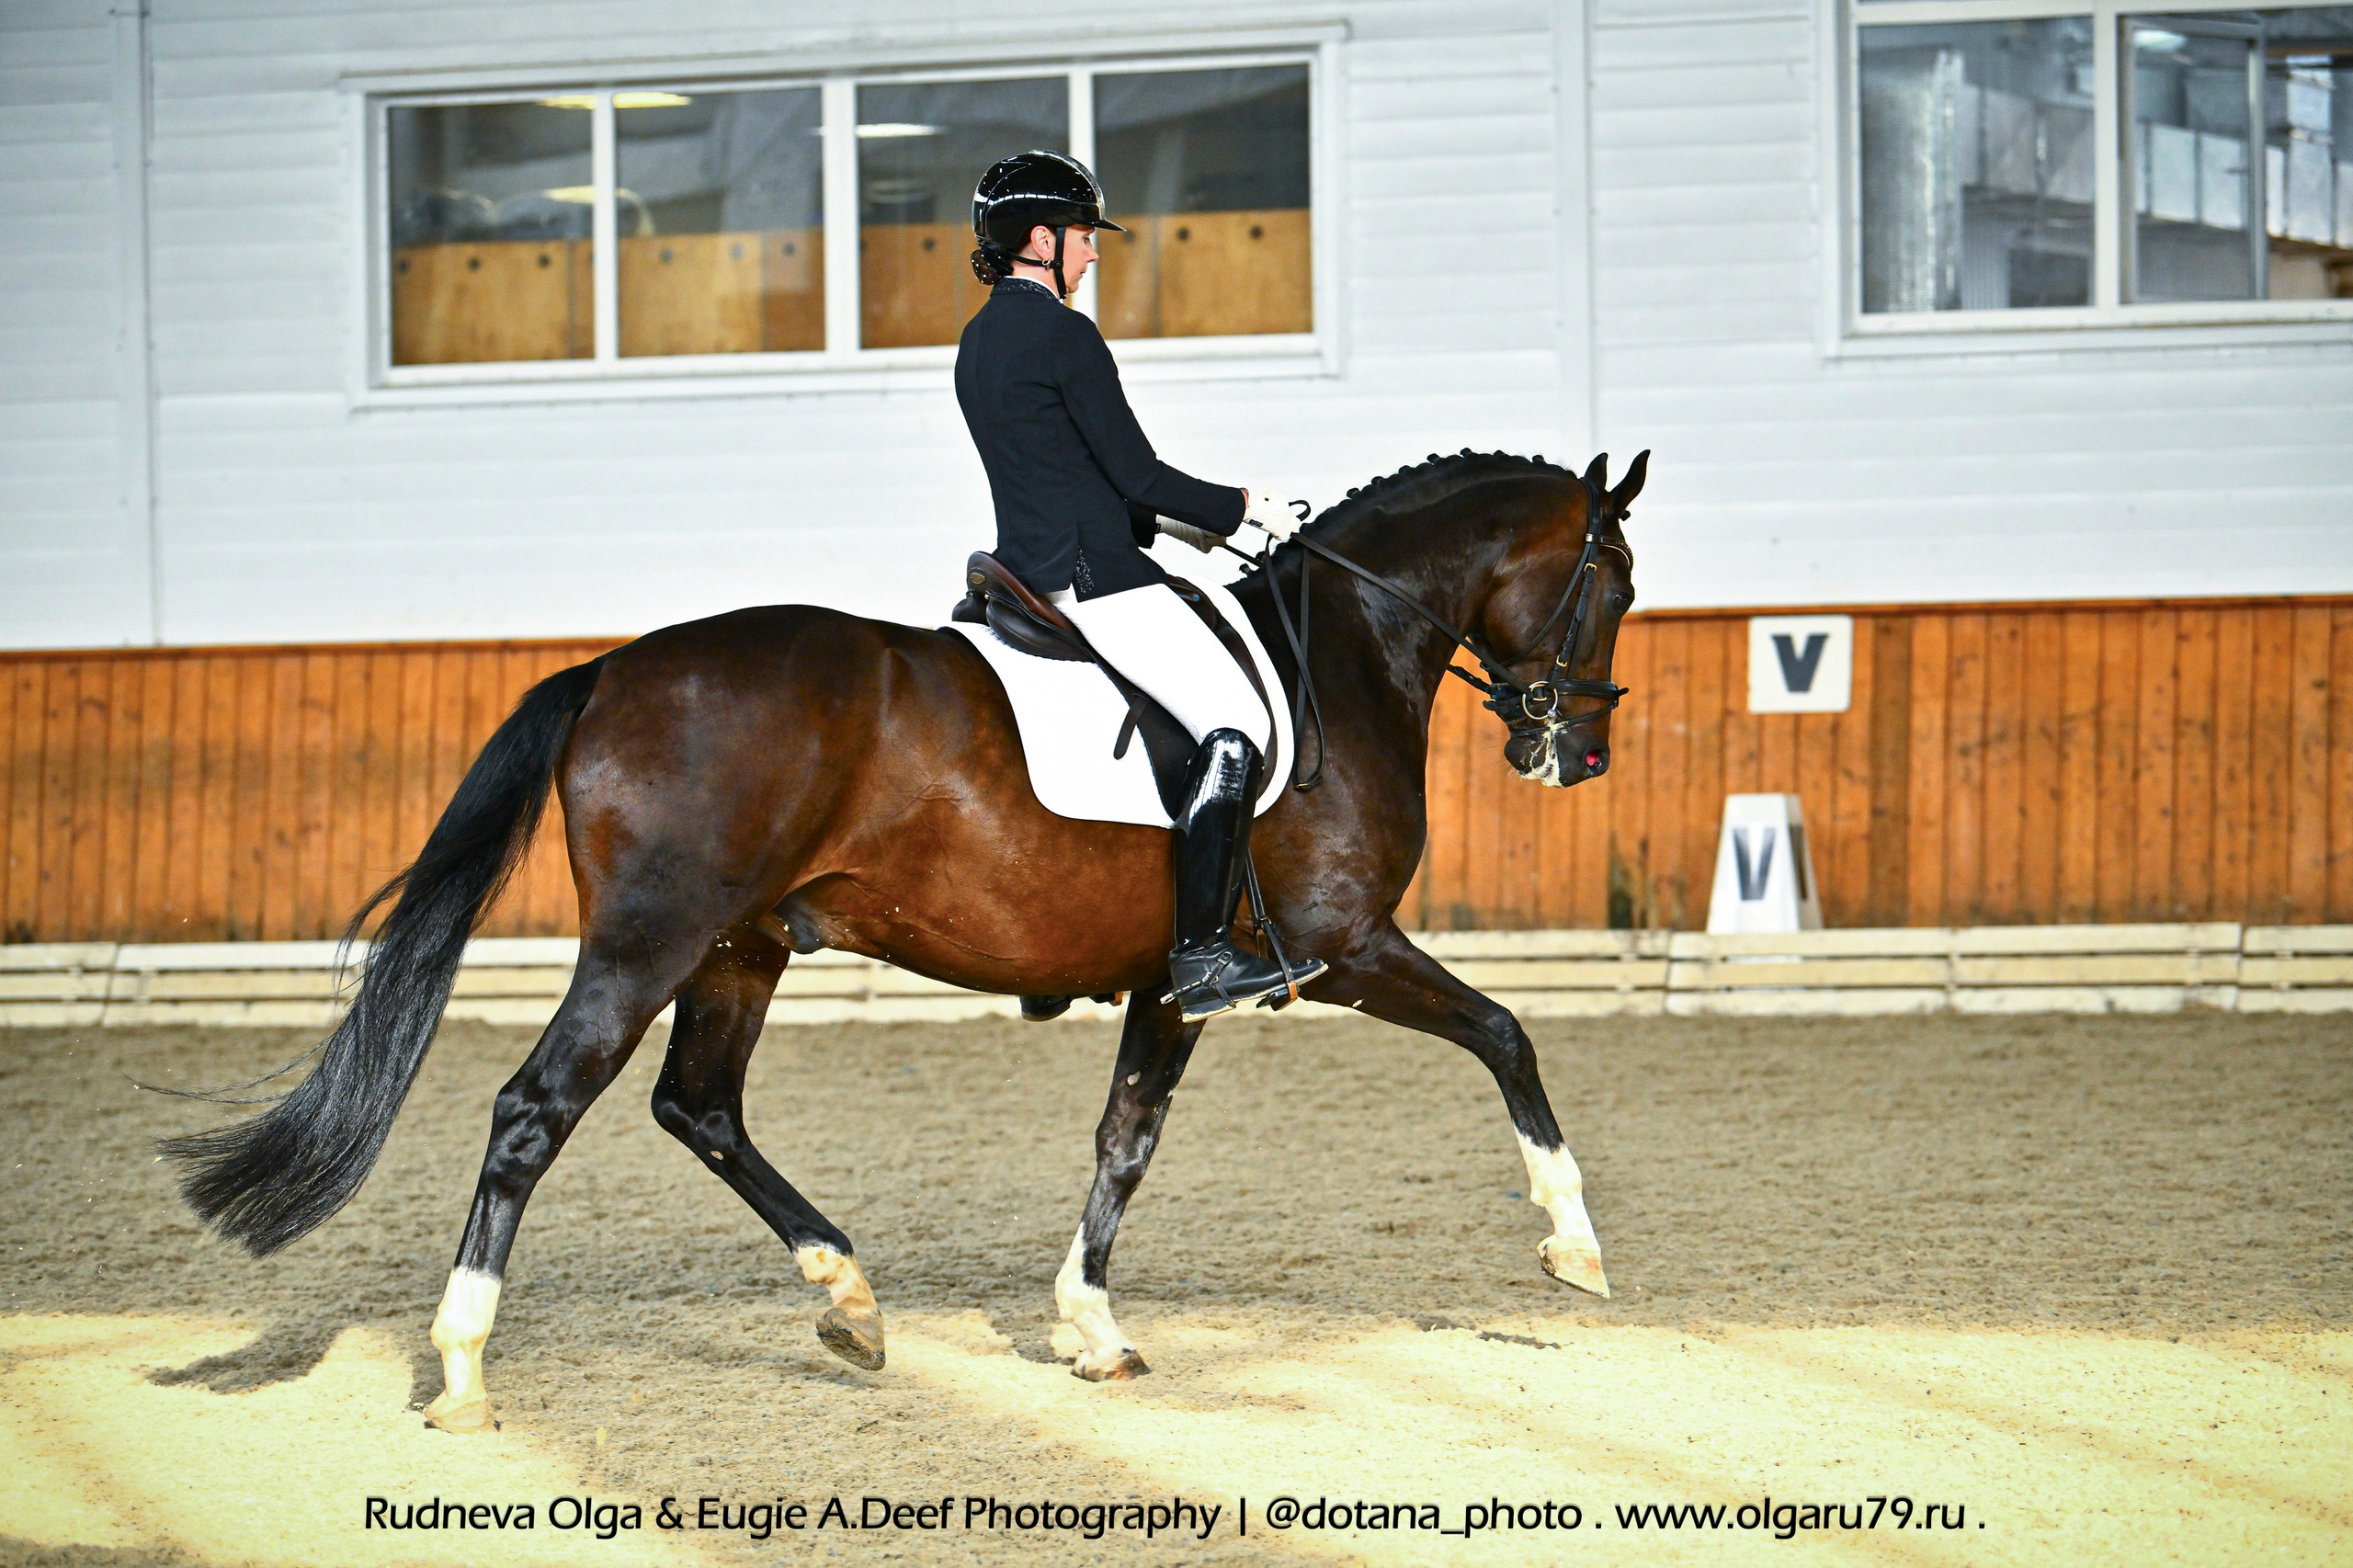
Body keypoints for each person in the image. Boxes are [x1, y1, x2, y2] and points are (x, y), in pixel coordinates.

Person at [955, 150, 1324, 1021]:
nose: (1092, 254)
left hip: (1029, 574)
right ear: (1040, 240)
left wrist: (1169, 525)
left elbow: (1065, 477)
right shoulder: (1064, 334)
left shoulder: (978, 340)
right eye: (1084, 237)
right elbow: (1134, 469)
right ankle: (1202, 956)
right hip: (1099, 584)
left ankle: (1061, 958)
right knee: (1234, 734)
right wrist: (1238, 509)